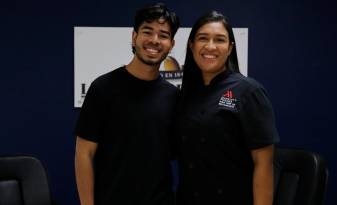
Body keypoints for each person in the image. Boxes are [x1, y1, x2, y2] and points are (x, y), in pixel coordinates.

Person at [74, 3, 180, 205]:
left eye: (163, 35)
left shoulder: (173, 96)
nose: (154, 40)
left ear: (171, 44)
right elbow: (83, 154)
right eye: (147, 31)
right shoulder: (103, 88)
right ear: (134, 37)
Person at [176, 11, 279, 205]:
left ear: (230, 48)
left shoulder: (249, 91)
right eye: (203, 38)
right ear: (191, 45)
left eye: (220, 40)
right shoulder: (186, 95)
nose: (210, 46)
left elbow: (263, 164)